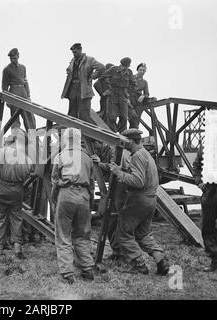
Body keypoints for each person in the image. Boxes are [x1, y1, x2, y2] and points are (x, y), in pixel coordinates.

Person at [109, 129, 169, 275]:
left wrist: (119, 173)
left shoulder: (136, 156)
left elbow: (138, 181)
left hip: (139, 200)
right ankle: (160, 259)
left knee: (124, 233)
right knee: (143, 234)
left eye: (124, 141)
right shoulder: (146, 154)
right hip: (151, 200)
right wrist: (123, 170)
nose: (123, 144)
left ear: (130, 141)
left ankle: (139, 264)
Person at [51, 128, 96, 284]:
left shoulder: (60, 156)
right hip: (83, 195)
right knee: (83, 234)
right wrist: (89, 202)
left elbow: (55, 180)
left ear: (65, 140)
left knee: (63, 235)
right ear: (78, 139)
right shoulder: (87, 158)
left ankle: (67, 273)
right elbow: (92, 184)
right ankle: (88, 269)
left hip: (66, 194)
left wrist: (55, 199)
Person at [0, 131, 33, 259]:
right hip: (17, 190)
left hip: (2, 188)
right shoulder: (27, 158)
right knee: (17, 218)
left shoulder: (4, 152)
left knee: (0, 217)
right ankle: (18, 248)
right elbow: (28, 174)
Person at [61, 43, 105, 124]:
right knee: (72, 112)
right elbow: (70, 70)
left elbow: (101, 67)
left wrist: (92, 76)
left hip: (84, 88)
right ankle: (72, 130)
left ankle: (86, 133)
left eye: (76, 52)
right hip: (73, 88)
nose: (74, 54)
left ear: (80, 50)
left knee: (84, 113)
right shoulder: (73, 61)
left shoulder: (89, 60)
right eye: (73, 52)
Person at [193, 145, 217, 272]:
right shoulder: (207, 145)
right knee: (207, 226)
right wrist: (199, 181)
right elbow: (197, 165)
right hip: (210, 189)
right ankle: (215, 260)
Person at [99, 57, 136, 133]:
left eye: (126, 66)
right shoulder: (113, 69)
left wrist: (128, 92)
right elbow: (101, 77)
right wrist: (106, 89)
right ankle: (113, 133)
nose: (124, 68)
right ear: (120, 64)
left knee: (124, 117)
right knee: (111, 117)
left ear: (128, 66)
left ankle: (122, 134)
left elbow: (134, 84)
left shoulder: (129, 72)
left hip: (123, 96)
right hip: (113, 95)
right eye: (123, 66)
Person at [2, 48, 36, 130]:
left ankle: (32, 132)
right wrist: (7, 99)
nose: (13, 60)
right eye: (11, 58)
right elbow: (4, 86)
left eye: (14, 58)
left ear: (18, 56)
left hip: (23, 91)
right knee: (15, 114)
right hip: (14, 92)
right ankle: (16, 134)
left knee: (29, 113)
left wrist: (28, 94)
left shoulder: (23, 67)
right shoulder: (7, 69)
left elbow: (25, 81)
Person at [128, 63, 150, 129]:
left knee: (137, 117)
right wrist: (127, 99)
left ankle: (134, 132)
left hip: (138, 101)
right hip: (130, 98)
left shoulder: (145, 82)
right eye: (140, 70)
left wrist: (143, 96)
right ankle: (131, 132)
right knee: (132, 116)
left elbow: (147, 94)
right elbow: (126, 88)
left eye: (143, 70)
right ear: (137, 70)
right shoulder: (132, 78)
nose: (142, 72)